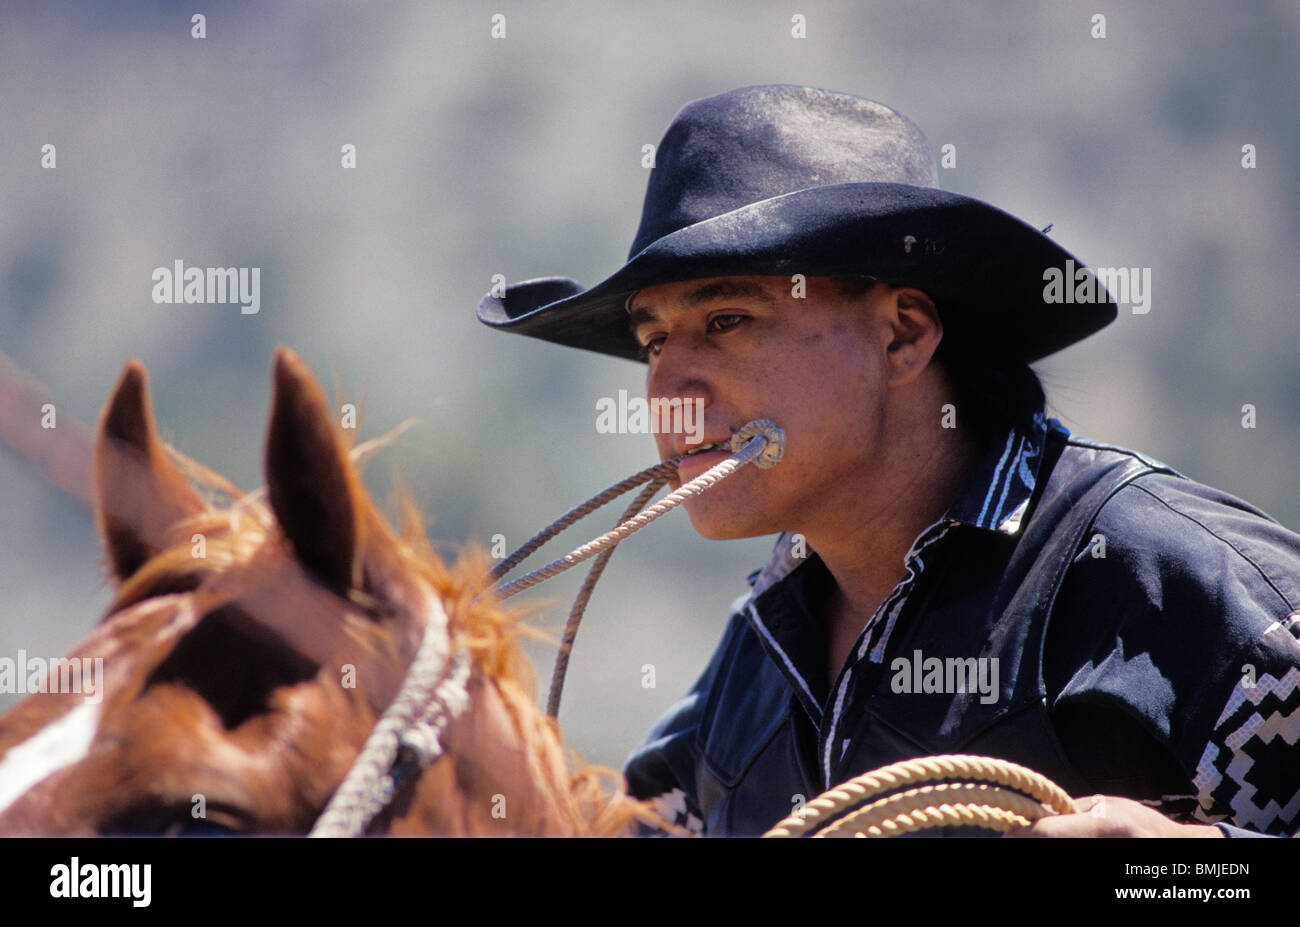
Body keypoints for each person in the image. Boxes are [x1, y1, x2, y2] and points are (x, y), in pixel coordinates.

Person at [477, 84, 1300, 837]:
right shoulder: (761, 650)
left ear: (902, 334)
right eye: (654, 340)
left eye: (726, 320)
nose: (669, 392)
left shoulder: (1179, 584)